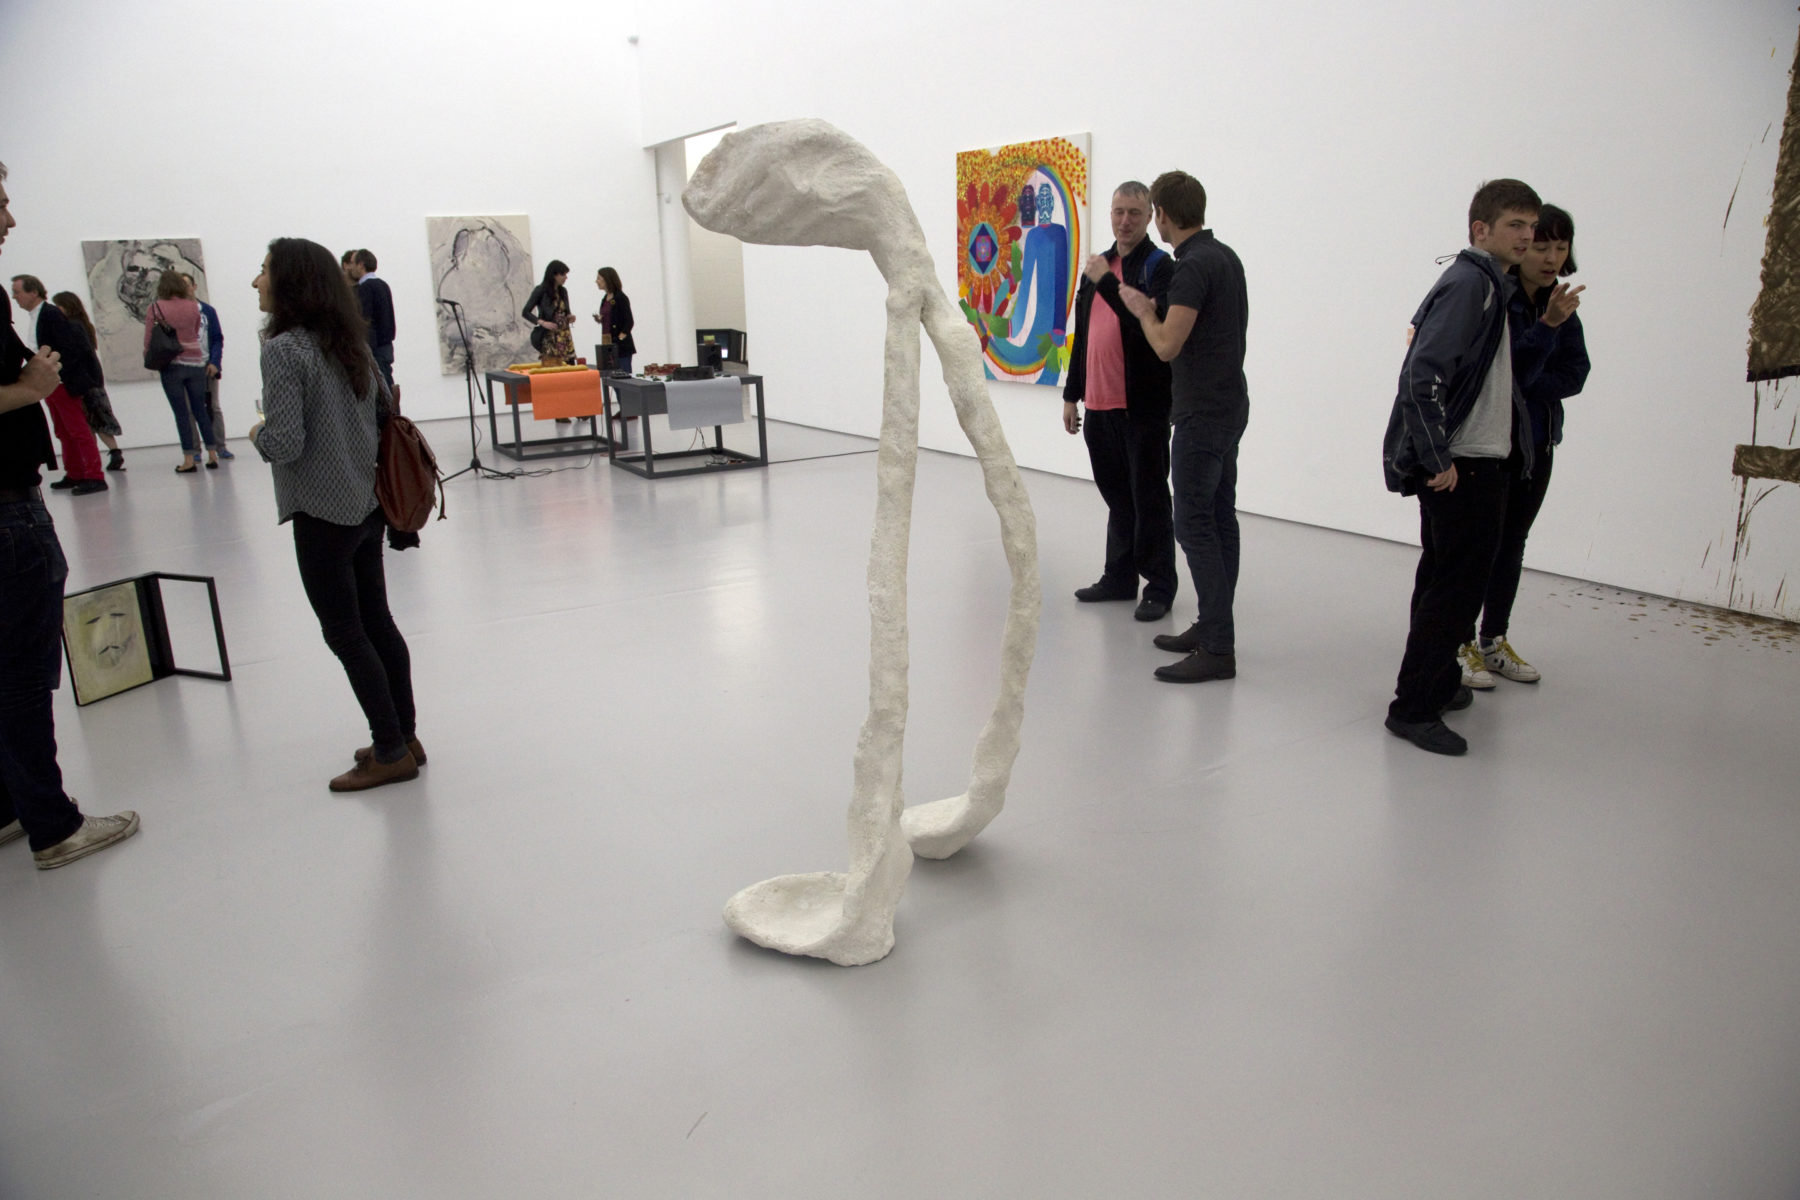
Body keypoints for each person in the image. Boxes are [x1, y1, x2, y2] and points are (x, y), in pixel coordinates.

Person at [1380, 178, 1564, 755]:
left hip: (1478, 461)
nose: (1527, 236)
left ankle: (1435, 685)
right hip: (1464, 464)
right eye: (1516, 225)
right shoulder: (1470, 285)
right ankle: (1412, 709)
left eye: (1531, 227)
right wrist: (1439, 458)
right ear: (1480, 229)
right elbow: (1422, 374)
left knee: (1443, 580)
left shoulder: (1490, 285)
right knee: (1455, 591)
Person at [0, 160, 141, 867]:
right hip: (7, 514)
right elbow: (25, 385)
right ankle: (53, 824)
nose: (11, 219)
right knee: (23, 673)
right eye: (2, 202)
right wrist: (28, 388)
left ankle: (12, 806)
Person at [247, 237, 422, 792]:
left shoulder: (282, 350)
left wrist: (256, 431)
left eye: (264, 271)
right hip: (368, 505)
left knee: (346, 633)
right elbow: (385, 413)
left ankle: (390, 749)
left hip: (321, 513)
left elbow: (286, 443)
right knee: (377, 623)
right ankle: (405, 737)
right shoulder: (349, 340)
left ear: (291, 282)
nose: (256, 282)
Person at [1119, 171, 1250, 683]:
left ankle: (1217, 646)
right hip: (1229, 405)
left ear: (1162, 216)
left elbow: (1168, 345)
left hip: (1202, 413)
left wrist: (1143, 311)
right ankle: (1212, 627)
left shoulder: (1193, 266)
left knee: (1195, 524)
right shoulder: (1225, 257)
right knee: (1219, 520)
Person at [1458, 204, 1589, 688]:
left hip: (1537, 445)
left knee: (1511, 545)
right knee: (1477, 548)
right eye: (1541, 245)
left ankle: (1493, 639)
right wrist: (1543, 336)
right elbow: (1502, 371)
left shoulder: (1559, 301)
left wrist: (1528, 385)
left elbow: (1576, 372)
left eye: (1560, 246)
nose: (1552, 256)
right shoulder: (1501, 297)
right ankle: (1460, 641)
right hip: (1491, 447)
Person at [1061, 181, 1177, 622]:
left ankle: (1160, 585)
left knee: (1149, 498)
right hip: (1099, 406)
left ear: (1149, 216)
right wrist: (1073, 395)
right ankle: (1120, 576)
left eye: (1134, 212)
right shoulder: (1099, 267)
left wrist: (1107, 282)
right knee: (1118, 498)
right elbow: (1084, 335)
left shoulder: (1157, 267)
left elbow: (1149, 334)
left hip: (1142, 408)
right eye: (1118, 212)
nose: (1125, 220)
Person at [9, 274, 106, 493]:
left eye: (17, 292)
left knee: (78, 429)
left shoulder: (50, 314)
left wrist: (61, 377)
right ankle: (75, 473)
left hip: (61, 383)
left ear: (33, 292)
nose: (14, 297)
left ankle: (94, 476)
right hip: (52, 383)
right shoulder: (39, 315)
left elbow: (68, 349)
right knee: (63, 430)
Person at [143, 269, 217, 472]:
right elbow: (195, 331)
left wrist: (148, 356)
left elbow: (149, 338)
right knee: (200, 410)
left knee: (181, 413)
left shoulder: (155, 307)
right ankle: (212, 453)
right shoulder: (194, 306)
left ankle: (189, 458)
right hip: (195, 362)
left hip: (171, 364)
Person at [51, 291, 126, 471]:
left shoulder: (72, 326)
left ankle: (97, 459)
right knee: (99, 417)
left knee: (89, 420)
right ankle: (114, 452)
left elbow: (81, 354)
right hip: (92, 377)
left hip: (84, 379)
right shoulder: (84, 325)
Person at [180, 272, 233, 460]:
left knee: (213, 407)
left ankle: (220, 446)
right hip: (186, 368)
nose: (184, 288)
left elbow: (217, 338)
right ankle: (194, 450)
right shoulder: (175, 314)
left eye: (187, 284)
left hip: (206, 366)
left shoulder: (207, 311)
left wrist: (214, 362)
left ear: (194, 286)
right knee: (188, 409)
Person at [344, 249, 397, 390]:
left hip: (376, 349)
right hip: (386, 346)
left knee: (382, 390)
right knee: (388, 386)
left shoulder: (365, 288)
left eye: (353, 263)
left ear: (361, 265)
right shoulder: (383, 285)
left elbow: (366, 321)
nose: (351, 267)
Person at [523, 260, 574, 366]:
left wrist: (570, 316)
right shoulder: (540, 290)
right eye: (562, 274)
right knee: (552, 367)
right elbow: (525, 312)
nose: (565, 278)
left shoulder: (563, 291)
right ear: (554, 275)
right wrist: (542, 322)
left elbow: (566, 311)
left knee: (568, 367)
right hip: (549, 336)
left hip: (564, 335)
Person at [592, 266, 635, 374]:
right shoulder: (605, 298)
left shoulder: (620, 298)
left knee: (623, 378)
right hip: (608, 346)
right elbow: (610, 317)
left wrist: (620, 338)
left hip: (620, 347)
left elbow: (629, 321)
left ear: (607, 279)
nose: (596, 281)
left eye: (599, 278)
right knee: (611, 378)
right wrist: (600, 319)